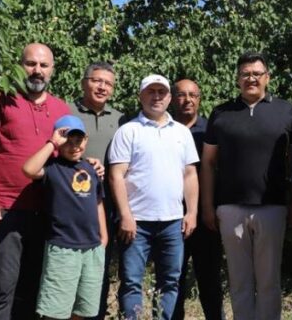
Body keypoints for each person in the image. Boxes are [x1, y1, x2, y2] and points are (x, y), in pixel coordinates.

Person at [0, 43, 74, 319]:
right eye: (31, 64)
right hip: (6, 210)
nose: (37, 71)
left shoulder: (61, 109)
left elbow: (69, 157)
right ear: (19, 65)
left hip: (47, 212)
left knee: (32, 291)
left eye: (43, 65)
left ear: (52, 70)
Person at [200, 52, 292, 320]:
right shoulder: (221, 113)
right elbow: (208, 163)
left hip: (273, 206)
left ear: (267, 77)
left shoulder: (286, 111)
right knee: (239, 281)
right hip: (230, 208)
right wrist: (208, 205)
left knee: (269, 281)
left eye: (257, 73)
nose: (251, 78)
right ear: (237, 79)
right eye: (245, 74)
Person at [108, 74, 199, 320]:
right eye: (151, 92)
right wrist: (125, 216)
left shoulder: (181, 132)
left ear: (169, 97)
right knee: (131, 283)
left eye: (162, 92)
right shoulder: (128, 131)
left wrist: (191, 212)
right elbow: (116, 176)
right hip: (136, 223)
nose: (156, 97)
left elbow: (190, 175)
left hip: (172, 223)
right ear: (141, 96)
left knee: (170, 282)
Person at [22, 115, 107, 320]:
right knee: (56, 309)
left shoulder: (91, 169)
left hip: (92, 248)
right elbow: (28, 169)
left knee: (83, 308)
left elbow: (98, 203)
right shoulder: (52, 169)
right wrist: (52, 143)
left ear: (85, 140)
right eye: (67, 141)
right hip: (63, 248)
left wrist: (103, 237)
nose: (74, 146)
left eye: (78, 140)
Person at [71, 61, 127, 320]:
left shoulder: (121, 119)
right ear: (84, 82)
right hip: (72, 205)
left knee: (100, 268)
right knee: (69, 269)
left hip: (108, 206)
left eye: (108, 83)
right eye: (96, 80)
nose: (102, 87)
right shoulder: (67, 113)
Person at [171, 78, 225, 320]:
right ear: (172, 98)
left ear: (199, 99)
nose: (187, 100)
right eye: (181, 95)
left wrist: (211, 209)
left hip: (206, 217)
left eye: (193, 95)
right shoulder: (163, 129)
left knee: (210, 281)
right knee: (172, 281)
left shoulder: (210, 132)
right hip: (169, 217)